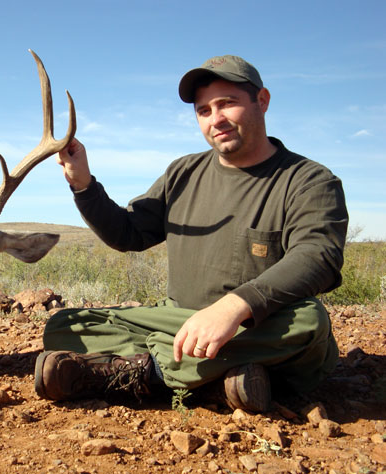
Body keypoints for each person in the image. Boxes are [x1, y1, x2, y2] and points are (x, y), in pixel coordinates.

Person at [34, 55, 348, 412]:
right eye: (204, 110)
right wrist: (84, 184)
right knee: (64, 325)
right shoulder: (183, 172)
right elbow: (128, 234)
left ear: (262, 101)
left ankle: (147, 372)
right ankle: (221, 381)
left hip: (256, 325)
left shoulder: (310, 180)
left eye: (227, 103)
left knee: (308, 322)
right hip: (177, 320)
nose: (216, 119)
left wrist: (233, 308)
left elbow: (318, 256)